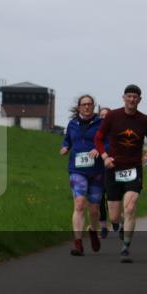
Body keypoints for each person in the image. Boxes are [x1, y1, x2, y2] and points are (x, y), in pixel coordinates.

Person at [95, 84, 147, 263]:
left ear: (140, 99)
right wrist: (105, 156)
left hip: (134, 168)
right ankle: (121, 225)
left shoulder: (146, 120)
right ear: (123, 97)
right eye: (129, 96)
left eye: (135, 97)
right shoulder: (112, 116)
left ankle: (126, 247)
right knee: (114, 216)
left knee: (130, 207)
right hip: (113, 167)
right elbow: (98, 138)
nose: (132, 99)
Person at [60, 95, 105, 256]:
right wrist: (65, 147)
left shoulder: (101, 123)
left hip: (97, 171)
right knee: (79, 204)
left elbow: (108, 142)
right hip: (77, 169)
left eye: (89, 104)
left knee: (94, 209)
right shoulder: (72, 124)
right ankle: (77, 242)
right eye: (84, 104)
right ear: (79, 107)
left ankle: (93, 230)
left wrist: (99, 149)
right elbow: (67, 140)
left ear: (93, 106)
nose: (87, 107)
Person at [98, 106, 115, 238]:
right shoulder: (95, 130)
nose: (103, 117)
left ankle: (115, 221)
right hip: (97, 169)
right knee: (99, 199)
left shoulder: (115, 130)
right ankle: (103, 226)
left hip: (112, 168)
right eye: (101, 115)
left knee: (112, 198)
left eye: (106, 115)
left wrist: (101, 150)